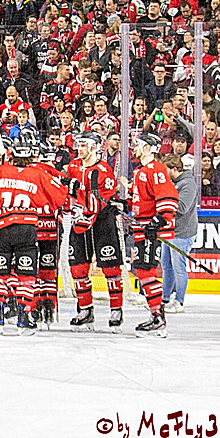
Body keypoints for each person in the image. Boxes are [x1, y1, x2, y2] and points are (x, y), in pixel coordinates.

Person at [0, 134, 68, 335]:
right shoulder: (39, 174)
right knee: (26, 273)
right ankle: (24, 316)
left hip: (2, 227)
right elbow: (60, 198)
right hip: (27, 228)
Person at [64, 131, 126, 333]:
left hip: (102, 223)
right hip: (79, 222)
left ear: (94, 147)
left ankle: (116, 310)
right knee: (77, 268)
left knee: (111, 268)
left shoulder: (104, 170)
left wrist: (77, 191)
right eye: (78, 145)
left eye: (84, 145)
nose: (79, 149)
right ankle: (85, 310)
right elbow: (68, 195)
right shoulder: (73, 166)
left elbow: (100, 201)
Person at [119, 132, 179, 337]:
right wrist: (122, 205)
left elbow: (169, 197)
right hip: (141, 229)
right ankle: (156, 315)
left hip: (149, 231)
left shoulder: (156, 169)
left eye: (138, 144)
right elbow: (138, 201)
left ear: (147, 148)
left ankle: (158, 317)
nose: (134, 148)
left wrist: (159, 221)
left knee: (146, 270)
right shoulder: (139, 171)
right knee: (142, 269)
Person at [160, 154, 199, 314]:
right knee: (166, 265)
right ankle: (165, 299)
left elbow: (182, 208)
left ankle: (179, 301)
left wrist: (165, 200)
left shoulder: (188, 184)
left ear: (175, 169)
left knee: (178, 267)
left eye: (166, 170)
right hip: (169, 231)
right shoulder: (172, 183)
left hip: (182, 232)